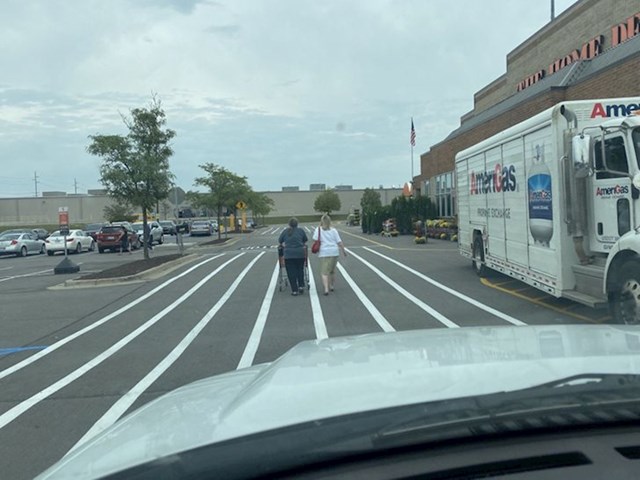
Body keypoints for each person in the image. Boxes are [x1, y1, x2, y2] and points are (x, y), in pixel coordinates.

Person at [313, 214, 347, 295]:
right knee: (332, 271)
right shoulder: (334, 230)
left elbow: (315, 239)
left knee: (324, 272)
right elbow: (339, 241)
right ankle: (331, 285)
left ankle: (326, 288)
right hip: (334, 252)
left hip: (324, 252)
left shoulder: (318, 229)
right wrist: (343, 251)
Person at [278, 217, 308, 296]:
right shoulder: (301, 231)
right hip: (300, 253)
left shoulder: (285, 232)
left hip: (289, 254)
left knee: (291, 272)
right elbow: (305, 239)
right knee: (300, 269)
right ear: (297, 224)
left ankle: (294, 290)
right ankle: (301, 285)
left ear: (289, 224)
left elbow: (280, 240)